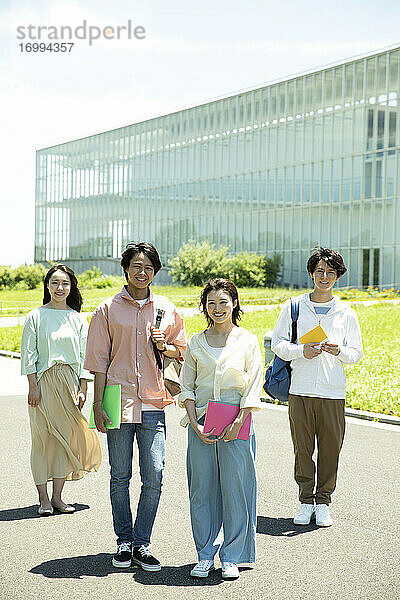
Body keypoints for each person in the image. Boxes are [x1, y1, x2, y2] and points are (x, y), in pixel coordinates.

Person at [84, 242, 186, 572]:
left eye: (149, 267)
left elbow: (181, 351)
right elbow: (99, 361)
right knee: (120, 475)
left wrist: (165, 344)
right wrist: (98, 404)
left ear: (156, 271)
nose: (142, 272)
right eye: (136, 266)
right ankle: (124, 541)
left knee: (154, 474)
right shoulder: (107, 309)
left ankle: (142, 542)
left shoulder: (167, 308)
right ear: (125, 269)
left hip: (154, 398)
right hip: (116, 397)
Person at [271, 247, 363, 527]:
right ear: (311, 273)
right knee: (302, 449)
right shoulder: (294, 306)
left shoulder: (346, 312)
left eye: (331, 273)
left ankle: (323, 502)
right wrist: (302, 351)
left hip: (332, 393)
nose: (324, 277)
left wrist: (338, 351)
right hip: (300, 391)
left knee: (330, 449)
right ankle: (304, 501)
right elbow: (278, 345)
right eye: (320, 271)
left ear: (337, 277)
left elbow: (356, 354)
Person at [179, 278, 263, 580]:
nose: (217, 308)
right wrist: (194, 423)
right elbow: (186, 387)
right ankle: (204, 555)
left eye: (223, 302)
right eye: (211, 303)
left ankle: (232, 555)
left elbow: (253, 386)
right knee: (202, 491)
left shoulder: (248, 341)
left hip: (237, 424)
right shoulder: (195, 342)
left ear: (234, 304)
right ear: (204, 307)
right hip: (200, 424)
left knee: (237, 489)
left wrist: (239, 421)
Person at [20, 264, 101, 516]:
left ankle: (57, 497)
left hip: (69, 384)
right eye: (54, 283)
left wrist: (83, 387)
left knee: (65, 440)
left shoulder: (77, 318)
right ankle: (43, 498)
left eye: (64, 283)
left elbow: (84, 355)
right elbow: (28, 355)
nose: (59, 288)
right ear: (47, 285)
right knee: (43, 440)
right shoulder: (36, 316)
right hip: (43, 383)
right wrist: (33, 387)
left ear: (71, 287)